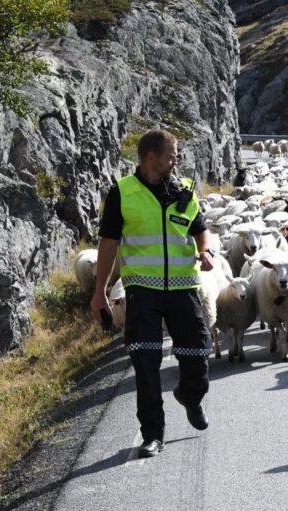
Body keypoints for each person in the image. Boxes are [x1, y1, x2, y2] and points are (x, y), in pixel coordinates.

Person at [91, 129, 216, 457]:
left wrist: (205, 252)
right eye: (171, 155)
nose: (176, 161)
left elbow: (201, 231)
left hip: (183, 289)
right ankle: (153, 435)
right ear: (151, 157)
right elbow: (108, 244)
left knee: (198, 355)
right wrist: (100, 290)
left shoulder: (185, 190)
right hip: (142, 291)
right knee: (145, 363)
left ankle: (190, 396)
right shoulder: (123, 193)